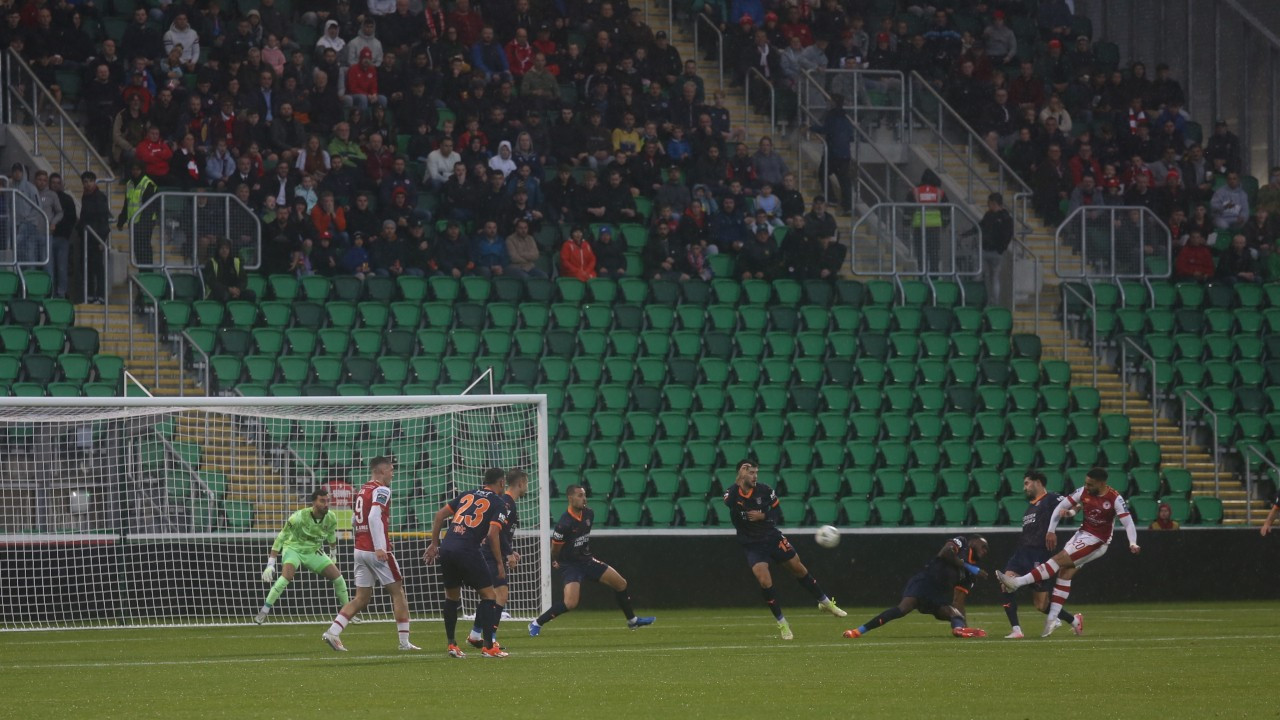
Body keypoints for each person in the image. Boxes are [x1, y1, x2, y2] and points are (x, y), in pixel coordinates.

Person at [997, 467, 1141, 637]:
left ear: (1101, 483)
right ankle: (1049, 622)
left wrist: (1133, 542)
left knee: (1054, 572)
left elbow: (1128, 523)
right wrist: (1060, 521)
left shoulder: (1114, 498)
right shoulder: (1079, 492)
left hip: (1096, 541)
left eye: (1090, 484)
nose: (1086, 486)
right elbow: (1066, 507)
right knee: (1064, 573)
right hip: (1072, 537)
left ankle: (1020, 584)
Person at [724, 460, 844, 640]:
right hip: (752, 544)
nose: (755, 476)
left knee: (799, 569)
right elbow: (730, 503)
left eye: (756, 472)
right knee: (765, 581)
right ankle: (782, 623)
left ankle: (825, 602)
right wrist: (739, 478)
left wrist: (762, 515)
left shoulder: (765, 490)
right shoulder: (731, 493)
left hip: (772, 537)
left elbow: (777, 512)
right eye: (751, 473)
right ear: (742, 474)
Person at [528, 484, 655, 636]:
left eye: (584, 495)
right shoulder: (564, 524)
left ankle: (632, 621)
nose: (584, 498)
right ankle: (536, 623)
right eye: (580, 495)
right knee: (570, 603)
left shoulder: (589, 514)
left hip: (587, 561)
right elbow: (555, 548)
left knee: (621, 583)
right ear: (570, 498)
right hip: (571, 565)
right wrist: (556, 560)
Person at [322, 457, 419, 652]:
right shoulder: (381, 489)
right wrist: (379, 547)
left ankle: (332, 632)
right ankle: (404, 643)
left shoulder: (362, 490)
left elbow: (353, 519)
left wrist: (362, 542)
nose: (393, 473)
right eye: (391, 470)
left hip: (359, 549)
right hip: (375, 550)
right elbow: (374, 516)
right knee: (398, 592)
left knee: (361, 598)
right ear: (381, 471)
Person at [425, 468, 510, 658]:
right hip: (467, 549)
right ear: (502, 483)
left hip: (447, 547)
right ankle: (488, 647)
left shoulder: (467, 494)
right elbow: (492, 534)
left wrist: (434, 544)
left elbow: (440, 515)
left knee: (452, 597)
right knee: (489, 596)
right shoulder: (499, 503)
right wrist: (499, 563)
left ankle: (451, 645)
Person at [843, 535, 989, 639]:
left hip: (938, 596)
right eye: (983, 546)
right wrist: (969, 567)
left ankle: (958, 630)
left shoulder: (971, 575)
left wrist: (962, 622)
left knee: (955, 613)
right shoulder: (962, 542)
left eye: (986, 551)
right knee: (902, 609)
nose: (984, 551)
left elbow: (959, 600)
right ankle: (857, 631)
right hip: (925, 582)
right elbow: (946, 553)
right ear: (973, 542)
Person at [998, 470, 1082, 639]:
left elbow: (1075, 505)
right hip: (1021, 554)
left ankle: (1073, 620)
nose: (1024, 487)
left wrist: (1069, 513)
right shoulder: (1030, 507)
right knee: (1006, 583)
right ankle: (1016, 630)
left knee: (1041, 605)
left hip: (1039, 556)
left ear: (1038, 482)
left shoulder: (1051, 499)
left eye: (1027, 483)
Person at [255, 487, 350, 624]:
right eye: (322, 501)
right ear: (314, 503)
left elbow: (330, 535)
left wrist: (333, 554)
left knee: (338, 578)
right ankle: (264, 611)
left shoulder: (331, 517)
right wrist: (271, 564)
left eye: (327, 501)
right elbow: (281, 538)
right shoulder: (298, 517)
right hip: (293, 548)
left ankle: (347, 613)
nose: (326, 504)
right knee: (285, 577)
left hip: (313, 551)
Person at [465, 469, 529, 649]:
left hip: (491, 553)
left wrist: (510, 550)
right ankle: (489, 639)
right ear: (521, 483)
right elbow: (496, 532)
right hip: (490, 554)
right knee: (499, 594)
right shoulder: (507, 503)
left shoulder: (507, 503)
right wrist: (508, 553)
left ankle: (476, 635)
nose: (526, 488)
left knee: (491, 595)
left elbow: (502, 534)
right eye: (526, 484)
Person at [76, 171, 112, 305]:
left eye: (90, 181)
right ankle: (90, 294)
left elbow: (103, 220)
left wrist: (102, 239)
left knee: (98, 268)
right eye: (85, 182)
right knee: (87, 267)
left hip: (96, 237)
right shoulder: (85, 197)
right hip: (86, 237)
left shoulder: (100, 197)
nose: (88, 184)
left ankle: (101, 296)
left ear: (95, 181)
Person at [117, 163, 159, 266]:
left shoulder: (148, 184)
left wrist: (142, 224)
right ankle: (142, 272)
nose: (135, 172)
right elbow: (127, 203)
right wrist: (121, 220)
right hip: (134, 222)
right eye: (133, 169)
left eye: (138, 169)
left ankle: (148, 272)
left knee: (144, 248)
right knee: (137, 248)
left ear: (142, 170)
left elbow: (149, 206)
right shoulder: (129, 183)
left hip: (146, 221)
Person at [976, 192, 1014, 304]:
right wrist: (1001, 248)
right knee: (994, 278)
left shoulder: (994, 216)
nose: (988, 206)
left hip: (990, 250)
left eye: (989, 203)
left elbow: (980, 226)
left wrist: (1000, 248)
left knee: (984, 276)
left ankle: (988, 301)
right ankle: (993, 302)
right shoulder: (1005, 217)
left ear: (994, 203)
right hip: (995, 251)